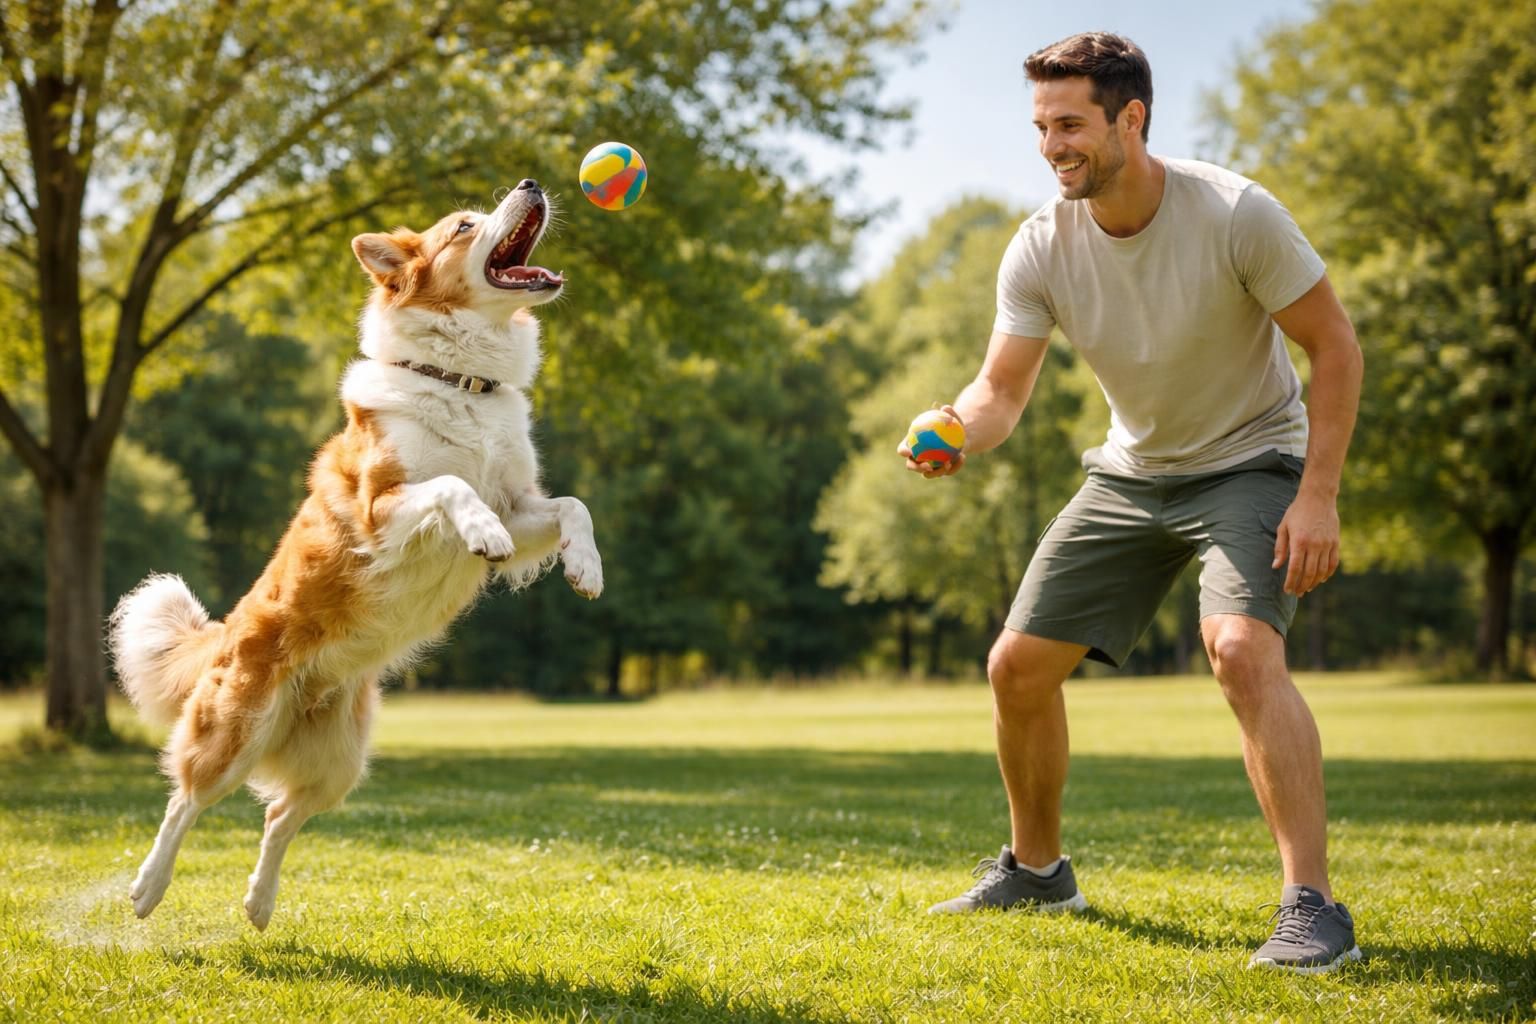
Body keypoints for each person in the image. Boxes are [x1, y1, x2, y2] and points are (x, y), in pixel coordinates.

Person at [900, 31, 1364, 974]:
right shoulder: (1041, 246)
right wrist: (954, 423)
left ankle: (1311, 907)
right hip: (1131, 473)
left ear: (1131, 118)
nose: (1051, 145)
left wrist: (1318, 495)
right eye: (1040, 126)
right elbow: (1001, 393)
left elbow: (1336, 347)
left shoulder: (1236, 214)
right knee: (1015, 670)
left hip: (1251, 460)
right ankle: (1038, 872)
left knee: (1239, 651)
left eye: (1069, 123)